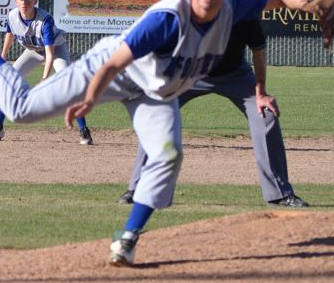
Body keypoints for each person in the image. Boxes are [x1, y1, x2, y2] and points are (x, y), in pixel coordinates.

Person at [0, 0, 334, 267]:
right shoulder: (168, 19)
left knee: (168, 154)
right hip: (112, 71)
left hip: (157, 92)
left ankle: (128, 239)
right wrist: (89, 97)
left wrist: (314, 1)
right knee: (22, 109)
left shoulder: (236, 5)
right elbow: (116, 61)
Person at [117, 17, 309, 208]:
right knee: (156, 118)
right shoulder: (184, 12)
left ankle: (279, 194)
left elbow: (258, 51)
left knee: (266, 116)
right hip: (187, 75)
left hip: (235, 75)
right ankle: (138, 190)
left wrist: (261, 93)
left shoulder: (243, 13)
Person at [0, 0, 93, 145]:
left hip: (55, 50)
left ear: (35, 1)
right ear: (15, 1)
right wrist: (3, 56)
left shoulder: (44, 20)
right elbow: (10, 34)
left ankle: (84, 130)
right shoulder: (12, 16)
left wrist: (45, 78)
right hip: (33, 50)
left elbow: (49, 53)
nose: (24, 2)